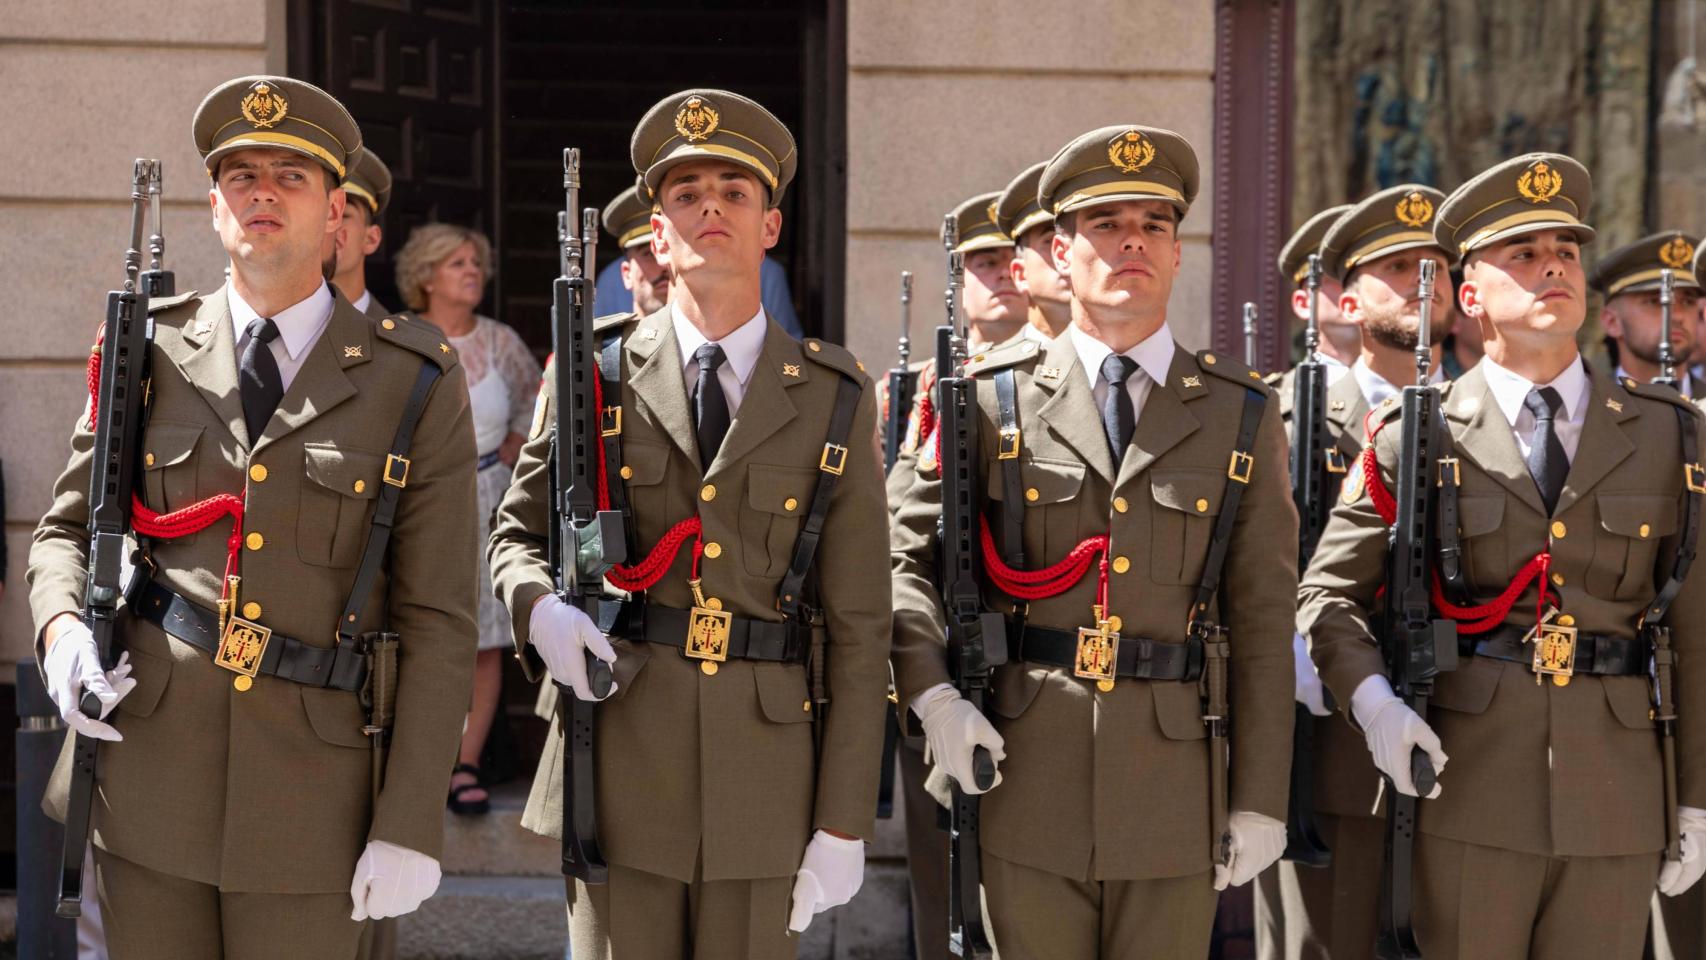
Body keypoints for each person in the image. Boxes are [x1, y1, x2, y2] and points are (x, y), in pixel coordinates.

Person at [28, 75, 477, 958]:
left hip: (320, 806)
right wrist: (60, 638)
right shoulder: (148, 347)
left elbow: (438, 618)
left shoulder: (413, 377)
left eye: (289, 175)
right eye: (241, 176)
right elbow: (66, 534)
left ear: (337, 213)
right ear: (214, 204)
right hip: (149, 781)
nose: (261, 192)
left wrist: (410, 816)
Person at [488, 88, 892, 958]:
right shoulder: (592, 370)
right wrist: (539, 612)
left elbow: (861, 624)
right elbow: (514, 536)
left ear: (769, 227)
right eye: (686, 193)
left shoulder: (833, 397)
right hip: (617, 751)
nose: (711, 205)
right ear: (656, 233)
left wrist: (845, 815)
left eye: (735, 192)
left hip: (766, 771)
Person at [889, 124, 1297, 958]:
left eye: (1153, 224)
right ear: (1058, 253)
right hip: (1021, 766)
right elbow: (901, 565)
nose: (1132, 243)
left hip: (1175, 783)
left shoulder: (1239, 412)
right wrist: (934, 699)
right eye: (1106, 224)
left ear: (1178, 254)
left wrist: (1260, 796)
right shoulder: (987, 398)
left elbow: (1260, 616)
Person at [1301, 154, 1706, 959]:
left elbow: (1695, 627)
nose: (1552, 264)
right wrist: (1376, 704)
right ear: (1470, 292)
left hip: (1618, 791)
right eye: (1522, 252)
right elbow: (1328, 598)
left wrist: (1696, 797)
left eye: (1565, 249)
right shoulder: (1416, 434)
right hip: (1467, 788)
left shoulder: (1672, 432)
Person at [1254, 184, 1454, 960]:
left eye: (1435, 265)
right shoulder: (1280, 417)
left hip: (1461, 745)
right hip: (1324, 749)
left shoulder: (1486, 421)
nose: (1419, 281)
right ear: (1343, 297)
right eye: (1398, 265)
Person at [394, 222, 540, 815]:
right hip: (419, 503)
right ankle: (417, 761)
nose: (472, 271)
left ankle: (465, 765)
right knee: (417, 630)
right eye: (457, 263)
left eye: (475, 262)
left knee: (484, 642)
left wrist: (515, 442)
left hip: (489, 498)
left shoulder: (500, 341)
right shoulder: (400, 338)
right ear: (426, 276)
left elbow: (539, 400)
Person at [594, 245, 804, 339]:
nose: (663, 265)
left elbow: (787, 349)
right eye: (648, 253)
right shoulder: (610, 280)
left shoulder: (766, 272)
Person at [1593, 231, 1704, 398]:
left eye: (1688, 301)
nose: (1677, 315)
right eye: (1655, 301)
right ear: (1612, 322)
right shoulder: (1587, 409)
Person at [995, 161, 1072, 340]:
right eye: (1051, 241)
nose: (1070, 253)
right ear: (1020, 274)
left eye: (1079, 239)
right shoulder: (991, 368)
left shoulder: (1127, 365)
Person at [329, 147, 394, 319]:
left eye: (344, 215)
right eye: (320, 212)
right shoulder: (263, 330)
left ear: (371, 239)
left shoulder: (406, 344)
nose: (328, 225)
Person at [603, 184, 670, 318]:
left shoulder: (713, 339)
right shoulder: (610, 339)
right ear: (627, 274)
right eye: (649, 253)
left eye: (669, 250)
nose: (663, 263)